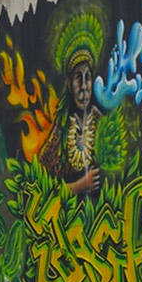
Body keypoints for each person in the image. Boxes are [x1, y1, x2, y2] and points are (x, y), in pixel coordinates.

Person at [39, 13, 105, 195]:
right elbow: (45, 189)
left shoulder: (102, 124)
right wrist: (82, 184)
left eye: (87, 77)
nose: (83, 87)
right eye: (78, 78)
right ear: (69, 85)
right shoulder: (60, 133)